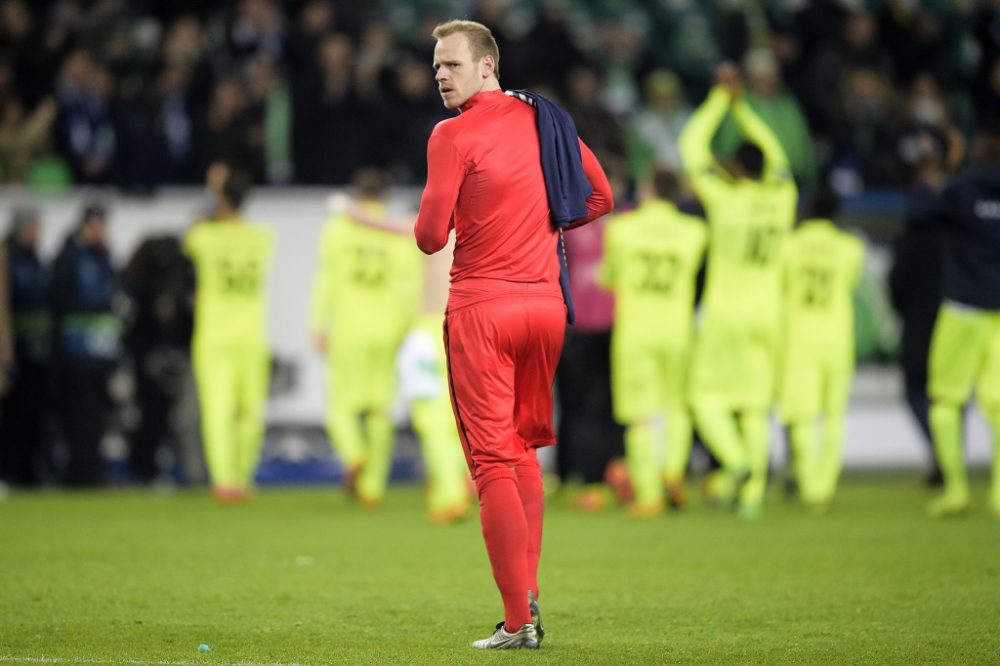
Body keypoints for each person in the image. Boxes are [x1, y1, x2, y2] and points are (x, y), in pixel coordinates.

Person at [414, 20, 613, 649]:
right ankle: (528, 597)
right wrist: (539, 225)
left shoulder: (451, 134)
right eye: (437, 65)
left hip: (483, 308)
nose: (440, 75)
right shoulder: (548, 121)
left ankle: (518, 620)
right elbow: (599, 196)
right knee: (523, 450)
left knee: (493, 461)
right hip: (545, 310)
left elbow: (428, 236)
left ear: (486, 66)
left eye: (451, 63)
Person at [678, 63, 798, 519]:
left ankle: (738, 462)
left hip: (726, 313)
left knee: (704, 397)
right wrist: (745, 108)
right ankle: (751, 497)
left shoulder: (725, 199)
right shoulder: (783, 197)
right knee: (754, 405)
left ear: (735, 167)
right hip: (767, 315)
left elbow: (690, 146)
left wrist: (718, 101)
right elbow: (776, 151)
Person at [309, 168, 424, 505]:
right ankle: (373, 487)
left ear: (357, 194)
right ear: (384, 196)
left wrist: (318, 323)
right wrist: (405, 327)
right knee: (380, 408)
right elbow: (410, 285)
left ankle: (354, 453)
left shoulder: (339, 228)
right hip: (388, 327)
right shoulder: (396, 230)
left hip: (349, 325)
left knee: (341, 405)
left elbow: (327, 278)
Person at [597, 166, 707, 516]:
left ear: (647, 190)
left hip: (636, 332)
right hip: (677, 330)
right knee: (676, 406)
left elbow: (609, 278)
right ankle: (672, 472)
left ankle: (648, 495)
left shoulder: (621, 229)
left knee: (640, 416)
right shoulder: (695, 231)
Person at [184, 169, 275, 502]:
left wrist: (212, 192)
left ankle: (224, 480)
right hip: (252, 334)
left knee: (218, 410)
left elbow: (189, 233)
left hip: (215, 335)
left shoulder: (205, 237)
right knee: (250, 411)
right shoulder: (262, 237)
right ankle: (243, 476)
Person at [925, 121, 1000, 517]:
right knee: (999, 405)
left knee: (945, 400)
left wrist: (950, 169)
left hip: (964, 307)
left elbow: (922, 213)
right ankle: (999, 493)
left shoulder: (963, 189)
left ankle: (956, 488)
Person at [777, 189, 865, 510]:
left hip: (800, 337)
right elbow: (850, 284)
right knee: (833, 416)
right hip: (838, 338)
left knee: (802, 415)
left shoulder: (788, 245)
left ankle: (810, 483)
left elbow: (781, 287)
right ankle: (825, 485)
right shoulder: (850, 247)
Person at [396, 233, 472, 523]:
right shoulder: (483, 230)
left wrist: (351, 210)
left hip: (430, 333)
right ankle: (461, 476)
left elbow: (395, 227)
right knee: (458, 416)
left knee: (430, 420)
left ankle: (451, 494)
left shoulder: (437, 232)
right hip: (467, 330)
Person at [49, 203, 120, 486]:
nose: (101, 232)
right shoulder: (69, 258)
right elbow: (60, 302)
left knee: (95, 419)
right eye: (97, 226)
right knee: (77, 418)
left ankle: (91, 472)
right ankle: (78, 475)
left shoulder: (103, 257)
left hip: (100, 353)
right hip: (76, 353)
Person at [0, 208, 50, 486]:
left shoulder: (33, 259)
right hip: (13, 346)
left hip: (29, 349)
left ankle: (21, 472)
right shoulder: (8, 256)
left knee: (26, 414)